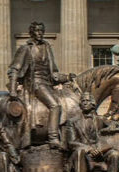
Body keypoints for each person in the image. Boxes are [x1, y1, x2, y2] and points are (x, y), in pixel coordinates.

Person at [7, 21, 73, 149]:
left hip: (47, 83)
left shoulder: (47, 47)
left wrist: (68, 78)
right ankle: (53, 137)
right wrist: (13, 89)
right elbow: (15, 69)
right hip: (35, 84)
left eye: (42, 31)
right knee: (55, 105)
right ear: (32, 33)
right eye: (37, 31)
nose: (40, 33)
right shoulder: (26, 49)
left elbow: (53, 73)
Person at [64, 92, 119, 172]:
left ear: (93, 104)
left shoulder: (100, 119)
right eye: (83, 101)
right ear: (80, 105)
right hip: (84, 153)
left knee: (114, 154)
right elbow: (71, 143)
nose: (85, 103)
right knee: (78, 151)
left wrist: (114, 124)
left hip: (100, 152)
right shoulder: (72, 122)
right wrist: (89, 149)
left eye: (87, 101)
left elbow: (115, 123)